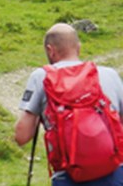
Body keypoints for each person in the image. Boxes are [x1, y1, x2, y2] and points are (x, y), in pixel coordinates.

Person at [14, 23, 123, 185]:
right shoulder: (110, 74)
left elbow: (21, 136)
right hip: (113, 173)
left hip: (68, 176)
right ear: (78, 47)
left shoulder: (41, 77)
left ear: (50, 50)